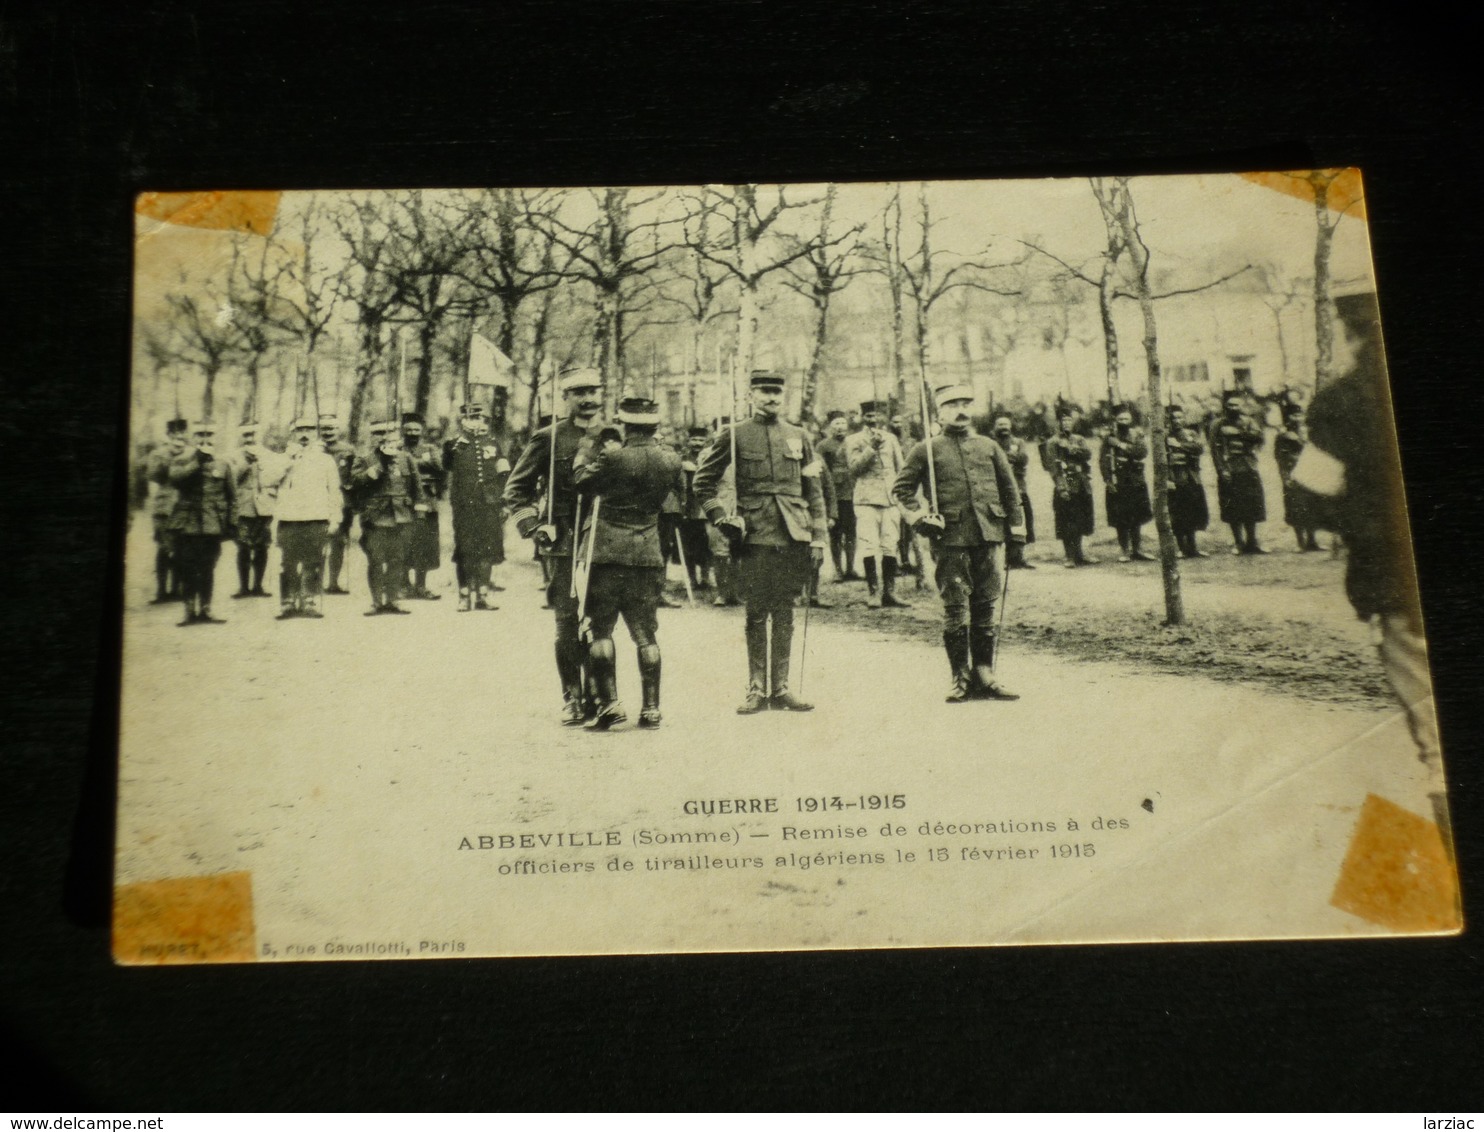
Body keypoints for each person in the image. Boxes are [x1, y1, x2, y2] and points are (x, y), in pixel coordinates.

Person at [1296, 287, 1443, 811]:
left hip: (1395, 580)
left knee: (1440, 747)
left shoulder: (1343, 401)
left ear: (1351, 331)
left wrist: (1362, 523)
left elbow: (1310, 493)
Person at [693, 370, 828, 714]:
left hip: (794, 534)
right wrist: (721, 518)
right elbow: (703, 482)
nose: (771, 399)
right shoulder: (735, 435)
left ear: (783, 396)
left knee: (785, 610)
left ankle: (781, 688)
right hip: (752, 535)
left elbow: (814, 491)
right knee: (756, 612)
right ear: (752, 395)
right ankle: (756, 689)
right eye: (764, 392)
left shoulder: (800, 436)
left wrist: (819, 537)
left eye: (776, 393)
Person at [894, 383, 1025, 703]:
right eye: (952, 405)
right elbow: (901, 491)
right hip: (949, 538)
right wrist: (921, 518)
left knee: (985, 606)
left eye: (966, 403)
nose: (961, 410)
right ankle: (960, 677)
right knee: (956, 608)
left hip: (988, 535)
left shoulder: (989, 447)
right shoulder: (926, 449)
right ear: (939, 413)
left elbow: (1011, 493)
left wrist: (1017, 532)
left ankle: (985, 673)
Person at [572, 397, 685, 730]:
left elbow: (581, 482)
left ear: (624, 424)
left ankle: (610, 705)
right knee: (646, 633)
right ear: (655, 425)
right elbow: (676, 494)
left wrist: (586, 448)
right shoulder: (671, 460)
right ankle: (651, 708)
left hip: (606, 553)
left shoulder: (612, 457)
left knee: (601, 629)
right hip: (647, 553)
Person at [505, 366, 607, 725]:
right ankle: (572, 696)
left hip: (606, 541)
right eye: (578, 392)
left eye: (593, 391)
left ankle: (602, 695)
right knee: (567, 621)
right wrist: (534, 526)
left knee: (601, 621)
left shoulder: (616, 436)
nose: (587, 399)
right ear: (566, 398)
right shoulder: (548, 438)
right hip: (563, 539)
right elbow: (515, 491)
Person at [167, 421, 237, 626]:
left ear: (215, 438)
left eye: (209, 435)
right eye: (200, 435)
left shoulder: (223, 464)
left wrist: (232, 522)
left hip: (212, 524)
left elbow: (232, 497)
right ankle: (189, 611)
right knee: (187, 567)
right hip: (187, 525)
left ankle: (206, 609)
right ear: (193, 438)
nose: (205, 439)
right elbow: (176, 480)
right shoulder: (181, 460)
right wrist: (197, 461)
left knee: (208, 568)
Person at [272, 416, 342, 619]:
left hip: (316, 517)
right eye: (300, 430)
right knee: (288, 563)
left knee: (314, 561)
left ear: (316, 433)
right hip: (288, 519)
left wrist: (335, 517)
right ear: (292, 434)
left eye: (309, 430)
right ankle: (288, 603)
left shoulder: (326, 460)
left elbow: (334, 491)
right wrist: (288, 459)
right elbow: (269, 480)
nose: (304, 435)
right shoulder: (283, 457)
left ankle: (309, 600)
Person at [352, 419, 424, 615]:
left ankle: (393, 600)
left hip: (402, 515)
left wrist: (419, 508)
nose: (383, 437)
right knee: (375, 559)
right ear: (372, 436)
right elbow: (355, 482)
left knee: (397, 559)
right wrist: (373, 471)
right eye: (378, 433)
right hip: (375, 517)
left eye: (388, 433)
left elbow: (416, 485)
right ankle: (376, 602)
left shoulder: (405, 458)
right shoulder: (365, 458)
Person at [444, 402, 510, 611]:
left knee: (487, 548)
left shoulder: (493, 443)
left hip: (488, 503)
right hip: (465, 504)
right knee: (465, 548)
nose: (475, 422)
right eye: (470, 418)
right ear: (463, 420)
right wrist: (459, 445)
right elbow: (446, 464)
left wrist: (504, 502)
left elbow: (503, 474)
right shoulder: (454, 444)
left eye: (478, 417)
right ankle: (464, 595)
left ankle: (482, 595)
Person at [845, 400, 910, 608]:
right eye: (868, 416)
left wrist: (902, 495)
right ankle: (873, 592)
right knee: (869, 544)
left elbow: (901, 469)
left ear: (882, 417)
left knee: (890, 544)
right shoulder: (854, 439)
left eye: (876, 416)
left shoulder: (891, 439)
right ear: (862, 418)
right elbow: (854, 469)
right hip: (866, 499)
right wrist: (871, 448)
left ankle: (889, 592)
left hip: (890, 499)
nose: (873, 420)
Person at [1209, 390, 1268, 554]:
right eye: (1230, 405)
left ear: (1242, 406)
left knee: (1251, 505)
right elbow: (1215, 450)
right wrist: (1222, 469)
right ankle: (1238, 543)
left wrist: (1240, 433)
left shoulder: (1249, 421)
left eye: (1237, 405)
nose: (1233, 408)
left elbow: (1259, 438)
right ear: (1225, 406)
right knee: (1233, 507)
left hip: (1248, 467)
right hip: (1230, 469)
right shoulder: (1217, 424)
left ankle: (1252, 542)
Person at [229, 422, 284, 598]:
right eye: (246, 435)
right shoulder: (234, 456)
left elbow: (277, 478)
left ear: (259, 435)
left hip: (264, 507)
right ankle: (243, 587)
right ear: (241, 436)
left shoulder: (270, 456)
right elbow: (231, 479)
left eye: (253, 434)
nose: (250, 438)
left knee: (262, 547)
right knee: (243, 547)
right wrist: (246, 462)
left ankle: (258, 586)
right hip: (243, 508)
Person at [1042, 408, 1097, 566]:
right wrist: (1062, 488)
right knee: (1067, 521)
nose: (1066, 423)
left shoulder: (1079, 439)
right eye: (1063, 420)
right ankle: (1069, 556)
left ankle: (1080, 554)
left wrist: (1072, 449)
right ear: (1058, 423)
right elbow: (1053, 467)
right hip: (1066, 484)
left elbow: (1087, 455)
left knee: (1081, 520)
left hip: (1081, 483)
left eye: (1069, 420)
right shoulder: (1052, 442)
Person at [1100, 405, 1155, 562]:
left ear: (1131, 420)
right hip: (1118, 481)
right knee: (1121, 518)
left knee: (1136, 517)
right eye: (1120, 419)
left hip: (1135, 480)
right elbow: (1103, 460)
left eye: (1126, 419)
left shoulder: (1137, 434)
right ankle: (1125, 550)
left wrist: (1119, 445)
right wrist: (1108, 480)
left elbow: (1142, 452)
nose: (1123, 421)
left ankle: (1137, 550)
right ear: (1115, 420)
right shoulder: (1109, 437)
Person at [145, 418, 189, 603]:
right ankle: (162, 591)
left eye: (182, 432)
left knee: (181, 548)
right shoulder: (158, 454)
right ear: (169, 434)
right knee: (164, 548)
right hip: (164, 507)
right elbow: (153, 478)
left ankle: (177, 589)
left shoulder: (191, 453)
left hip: (184, 506)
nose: (179, 436)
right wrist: (167, 456)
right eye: (174, 433)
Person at [702, 416, 742, 608]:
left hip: (741, 505)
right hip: (718, 505)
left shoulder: (742, 452)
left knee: (738, 550)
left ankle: (735, 592)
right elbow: (703, 483)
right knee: (719, 550)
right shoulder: (708, 453)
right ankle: (721, 593)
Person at [1274, 403, 1322, 552]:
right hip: (1293, 473)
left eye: (1300, 415)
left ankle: (1312, 541)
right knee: (1296, 508)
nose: (1298, 418)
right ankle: (1300, 543)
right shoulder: (1283, 436)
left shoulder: (1308, 433)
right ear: (1288, 417)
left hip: (1309, 473)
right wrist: (1286, 477)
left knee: (1312, 506)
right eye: (1294, 415)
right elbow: (1280, 458)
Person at [1165, 404, 1211, 558]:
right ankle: (1181, 547)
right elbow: (1162, 460)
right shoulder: (1165, 436)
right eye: (1173, 418)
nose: (1177, 421)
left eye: (1179, 417)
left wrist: (1179, 445)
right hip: (1175, 477)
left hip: (1191, 477)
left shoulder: (1191, 433)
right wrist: (1167, 478)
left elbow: (1198, 448)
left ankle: (1193, 547)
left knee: (1192, 512)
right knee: (1178, 514)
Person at [990, 413, 1036, 569]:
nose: (1003, 427)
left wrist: (1004, 458)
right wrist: (1006, 458)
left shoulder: (1018, 442)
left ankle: (1016, 558)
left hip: (1018, 488)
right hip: (996, 491)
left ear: (1010, 427)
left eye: (1006, 424)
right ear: (995, 427)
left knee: (1021, 523)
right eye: (1000, 425)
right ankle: (998, 561)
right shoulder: (990, 444)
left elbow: (1023, 459)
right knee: (998, 525)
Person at [816, 411, 857, 580]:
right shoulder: (823, 446)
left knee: (852, 532)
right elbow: (819, 470)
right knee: (836, 533)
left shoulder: (853, 442)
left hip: (853, 493)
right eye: (836, 424)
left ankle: (850, 569)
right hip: (834, 495)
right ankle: (837, 569)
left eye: (843, 423)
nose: (840, 427)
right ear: (830, 427)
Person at [319, 414, 357, 594]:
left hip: (342, 501)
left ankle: (333, 582)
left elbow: (354, 475)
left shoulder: (348, 450)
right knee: (317, 541)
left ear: (338, 429)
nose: (328, 432)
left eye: (332, 428)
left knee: (339, 541)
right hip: (318, 500)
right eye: (324, 428)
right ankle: (314, 582)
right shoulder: (315, 449)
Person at [679, 426, 714, 592]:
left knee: (707, 545)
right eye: (694, 440)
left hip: (706, 506)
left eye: (701, 440)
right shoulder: (682, 458)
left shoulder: (710, 456)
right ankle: (692, 578)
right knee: (688, 546)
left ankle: (706, 577)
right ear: (689, 441)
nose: (697, 443)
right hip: (689, 507)